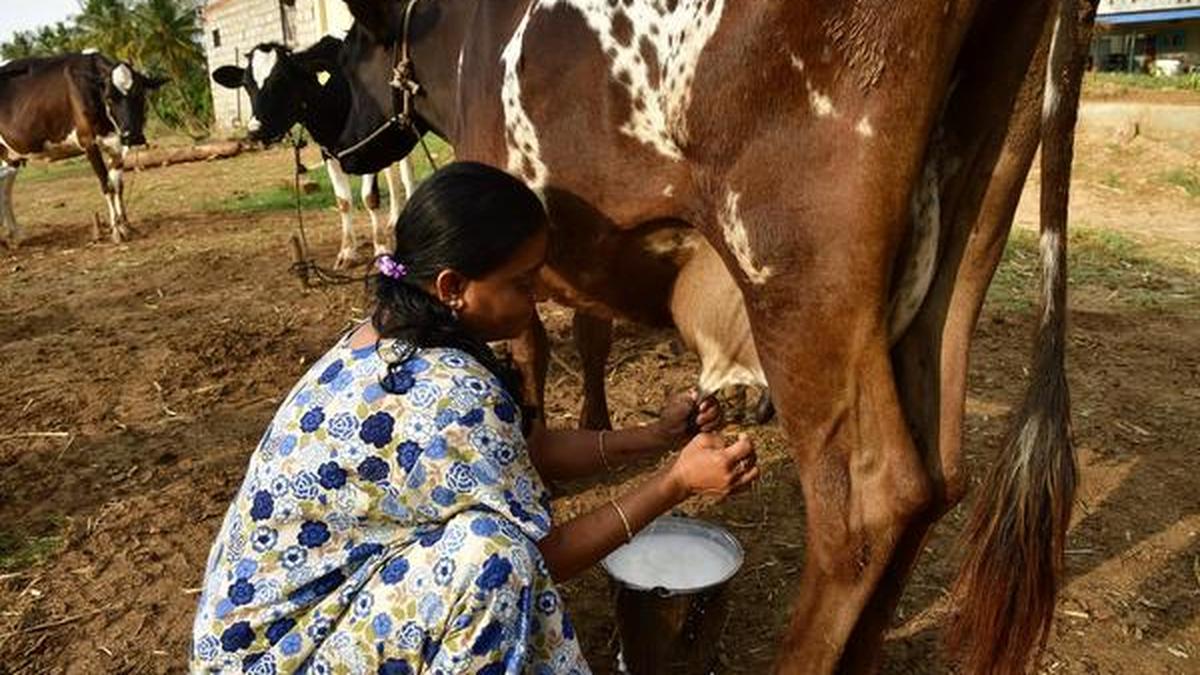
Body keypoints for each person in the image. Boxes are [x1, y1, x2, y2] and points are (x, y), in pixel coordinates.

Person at [191, 161, 760, 674]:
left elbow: (525, 447)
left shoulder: (387, 335)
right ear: (452, 287)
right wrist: (676, 482)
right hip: (281, 656)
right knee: (496, 561)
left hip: (256, 634)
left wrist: (653, 438)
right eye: (521, 281)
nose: (537, 297)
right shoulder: (449, 391)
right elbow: (545, 557)